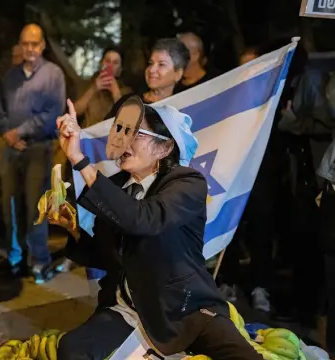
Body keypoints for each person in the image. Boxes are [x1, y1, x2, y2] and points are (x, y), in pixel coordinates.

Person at [53, 96, 262, 359]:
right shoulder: (116, 186)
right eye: (121, 131)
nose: (124, 140)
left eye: (135, 133)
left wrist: (79, 159)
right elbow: (107, 257)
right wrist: (72, 229)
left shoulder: (187, 184)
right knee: (71, 349)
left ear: (164, 148)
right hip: (128, 310)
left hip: (185, 309)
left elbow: (143, 219)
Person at [0, 23, 66, 283]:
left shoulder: (53, 74)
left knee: (36, 207)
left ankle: (39, 261)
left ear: (42, 45)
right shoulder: (11, 77)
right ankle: (16, 258)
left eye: (34, 44)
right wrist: (7, 135)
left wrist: (20, 132)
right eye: (25, 44)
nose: (30, 49)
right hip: (11, 150)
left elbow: (53, 113)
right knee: (11, 207)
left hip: (38, 148)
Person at [74, 46, 132, 128]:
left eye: (115, 63)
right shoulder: (86, 85)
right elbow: (74, 111)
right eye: (107, 61)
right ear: (101, 64)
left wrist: (116, 94)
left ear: (119, 71)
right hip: (88, 131)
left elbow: (128, 119)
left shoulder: (126, 92)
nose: (110, 66)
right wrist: (93, 89)